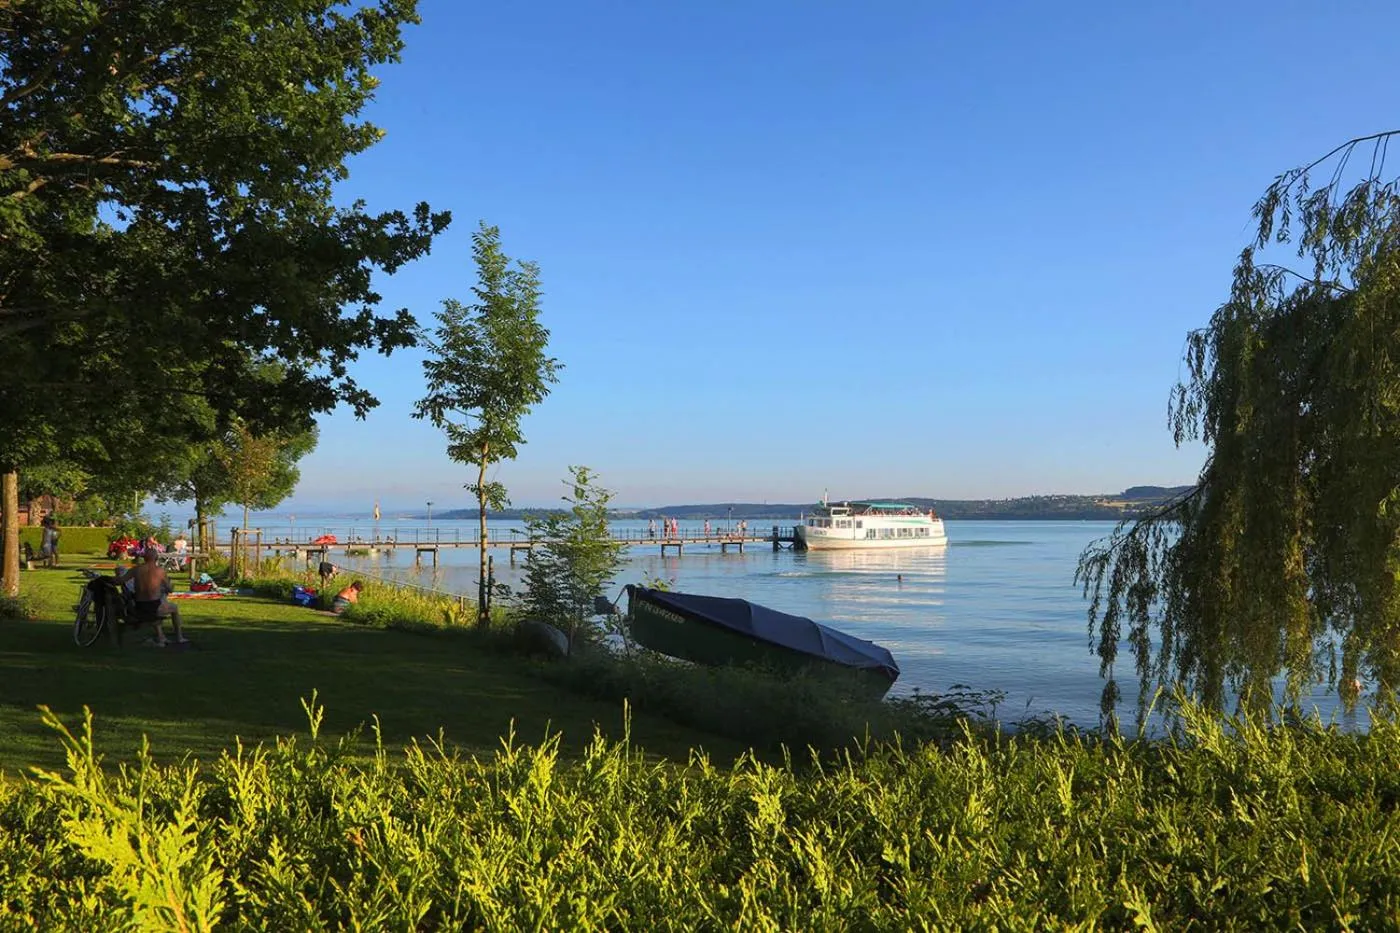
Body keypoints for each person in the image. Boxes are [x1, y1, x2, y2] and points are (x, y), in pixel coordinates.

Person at [114, 549, 187, 646]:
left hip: (139, 606)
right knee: (174, 608)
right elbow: (169, 589)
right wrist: (169, 586)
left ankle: (161, 637)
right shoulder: (160, 571)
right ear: (156, 558)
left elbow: (119, 581)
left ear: (144, 558)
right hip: (154, 607)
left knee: (156, 604)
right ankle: (179, 637)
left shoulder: (136, 570)